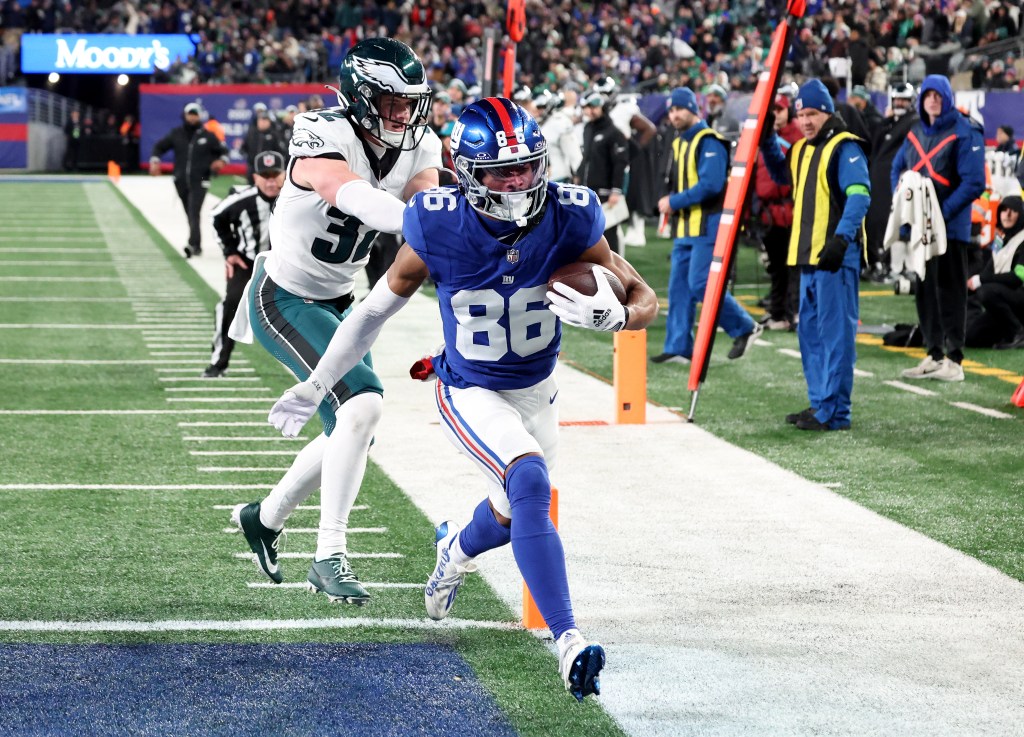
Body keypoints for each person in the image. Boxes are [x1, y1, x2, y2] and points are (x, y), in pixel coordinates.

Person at [263, 97, 658, 702]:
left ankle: (453, 551)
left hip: (537, 391)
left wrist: (619, 314)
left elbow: (641, 296)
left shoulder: (572, 214)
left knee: (506, 514)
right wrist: (319, 383)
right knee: (530, 485)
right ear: (469, 172)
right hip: (470, 389)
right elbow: (371, 313)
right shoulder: (438, 224)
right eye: (503, 172)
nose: (520, 181)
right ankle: (569, 639)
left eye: (526, 167)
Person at [229, 38, 441, 604]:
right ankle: (329, 555)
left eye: (409, 102)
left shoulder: (421, 145)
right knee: (362, 405)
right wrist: (435, 228)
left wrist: (438, 221)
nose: (403, 114)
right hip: (285, 295)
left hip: (345, 299)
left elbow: (425, 204)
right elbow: (349, 195)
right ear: (360, 96)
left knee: (353, 427)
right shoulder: (322, 131)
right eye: (391, 102)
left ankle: (265, 517)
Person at [760, 79, 871, 431]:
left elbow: (859, 195)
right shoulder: (802, 148)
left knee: (835, 336)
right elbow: (781, 173)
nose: (806, 121)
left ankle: (836, 413)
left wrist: (841, 240)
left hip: (835, 257)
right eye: (801, 114)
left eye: (812, 114)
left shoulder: (845, 146)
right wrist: (765, 137)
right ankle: (821, 403)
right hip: (807, 257)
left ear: (827, 112)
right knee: (810, 335)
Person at [654, 87, 762, 365]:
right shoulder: (679, 142)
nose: (674, 114)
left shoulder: (710, 140)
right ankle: (678, 346)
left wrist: (674, 202)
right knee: (679, 287)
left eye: (679, 108)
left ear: (693, 108)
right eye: (671, 110)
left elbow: (712, 185)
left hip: (709, 225)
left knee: (701, 283)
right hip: (685, 227)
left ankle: (745, 327)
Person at [892, 74, 987, 382]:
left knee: (951, 291)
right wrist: (905, 205)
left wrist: (939, 214)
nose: (932, 100)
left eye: (937, 95)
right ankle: (934, 353)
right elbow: (898, 169)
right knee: (924, 290)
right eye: (927, 95)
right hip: (922, 229)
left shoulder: (965, 130)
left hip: (951, 229)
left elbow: (974, 183)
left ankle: (955, 359)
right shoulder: (916, 130)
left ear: (947, 97)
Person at [203, 150, 286, 379]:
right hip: (248, 263)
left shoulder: (295, 198)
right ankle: (218, 363)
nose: (270, 181)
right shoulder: (242, 200)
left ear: (284, 174)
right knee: (229, 305)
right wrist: (229, 252)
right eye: (264, 175)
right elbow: (216, 216)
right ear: (255, 177)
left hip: (286, 265)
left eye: (275, 175)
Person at [149, 102, 229, 258]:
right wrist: (155, 160)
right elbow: (159, 146)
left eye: (195, 114)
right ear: (185, 115)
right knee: (189, 212)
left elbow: (224, 151)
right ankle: (197, 244)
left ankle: (192, 244)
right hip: (180, 180)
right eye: (190, 114)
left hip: (200, 179)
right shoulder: (176, 133)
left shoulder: (207, 135)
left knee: (194, 211)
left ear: (199, 116)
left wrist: (222, 161)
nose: (192, 117)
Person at [754, 95, 803, 331]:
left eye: (779, 109)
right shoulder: (762, 138)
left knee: (794, 267)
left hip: (792, 211)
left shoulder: (798, 136)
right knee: (776, 268)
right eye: (772, 110)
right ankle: (778, 313)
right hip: (769, 213)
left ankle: (794, 314)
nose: (776, 114)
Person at [865, 83, 919, 281]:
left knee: (894, 223)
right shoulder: (889, 123)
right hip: (880, 179)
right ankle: (881, 262)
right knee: (879, 221)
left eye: (903, 100)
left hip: (896, 181)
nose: (899, 103)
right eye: (897, 99)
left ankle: (895, 265)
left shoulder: (913, 122)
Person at [966, 196, 1024, 348]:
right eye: (1004, 210)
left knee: (987, 291)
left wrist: (981, 280)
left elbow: (1018, 278)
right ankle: (1007, 333)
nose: (1007, 214)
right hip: (1003, 304)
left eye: (1013, 211)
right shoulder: (1000, 240)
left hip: (1018, 299)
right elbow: (989, 270)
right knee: (971, 337)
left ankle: (1019, 332)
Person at [578, 92, 628, 255]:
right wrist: (577, 177)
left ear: (603, 107)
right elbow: (586, 158)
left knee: (609, 236)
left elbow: (620, 163)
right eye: (587, 107)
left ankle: (617, 275)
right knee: (589, 235)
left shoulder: (613, 132)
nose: (590, 111)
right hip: (588, 191)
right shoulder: (587, 128)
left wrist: (616, 190)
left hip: (606, 193)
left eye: (593, 107)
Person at [241, 102, 286, 184]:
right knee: (251, 189)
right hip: (253, 167)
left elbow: (281, 151)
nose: (263, 122)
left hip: (268, 169)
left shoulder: (274, 134)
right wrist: (247, 156)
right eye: (261, 120)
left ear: (269, 122)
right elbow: (244, 147)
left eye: (265, 120)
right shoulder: (252, 133)